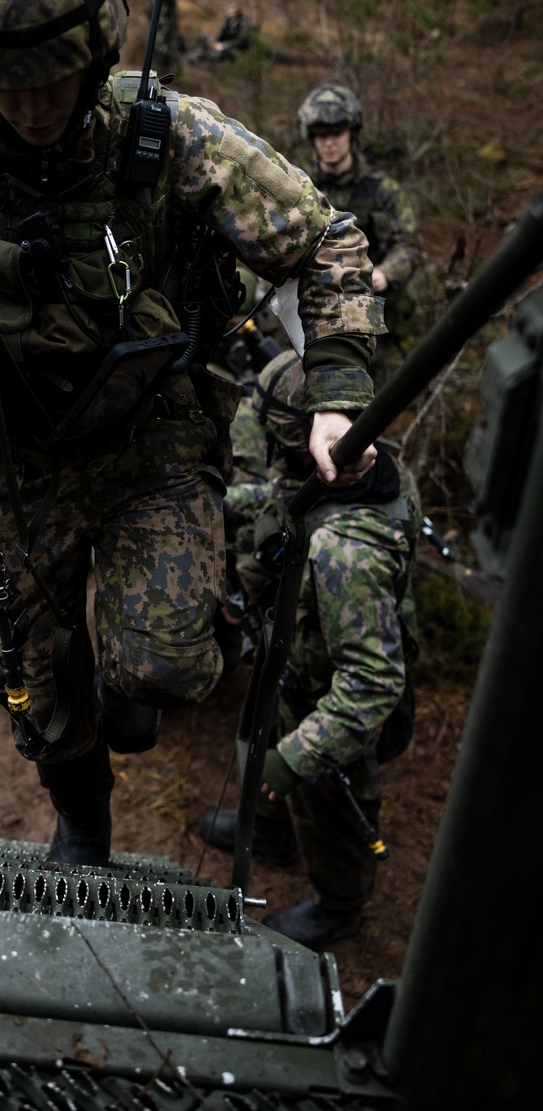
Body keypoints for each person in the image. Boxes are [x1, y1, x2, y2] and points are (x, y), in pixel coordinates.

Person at [0, 0, 383, 868]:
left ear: (94, 52)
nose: (36, 106)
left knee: (167, 662)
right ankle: (79, 817)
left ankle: (136, 671)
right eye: (10, 86)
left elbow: (329, 239)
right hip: (16, 461)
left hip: (151, 439)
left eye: (54, 79)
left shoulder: (169, 136)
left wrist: (338, 390)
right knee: (33, 695)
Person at [200, 349, 420, 948]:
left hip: (332, 704)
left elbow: (371, 684)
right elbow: (280, 495)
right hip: (298, 664)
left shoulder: (348, 550)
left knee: (327, 795)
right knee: (270, 739)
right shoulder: (361, 466)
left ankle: (339, 904)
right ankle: (272, 831)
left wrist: (297, 758)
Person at [298, 84, 421, 376]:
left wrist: (386, 273)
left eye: (336, 133)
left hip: (372, 307)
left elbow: (408, 245)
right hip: (312, 305)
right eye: (320, 135)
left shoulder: (383, 191)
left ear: (352, 133)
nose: (328, 143)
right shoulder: (298, 187)